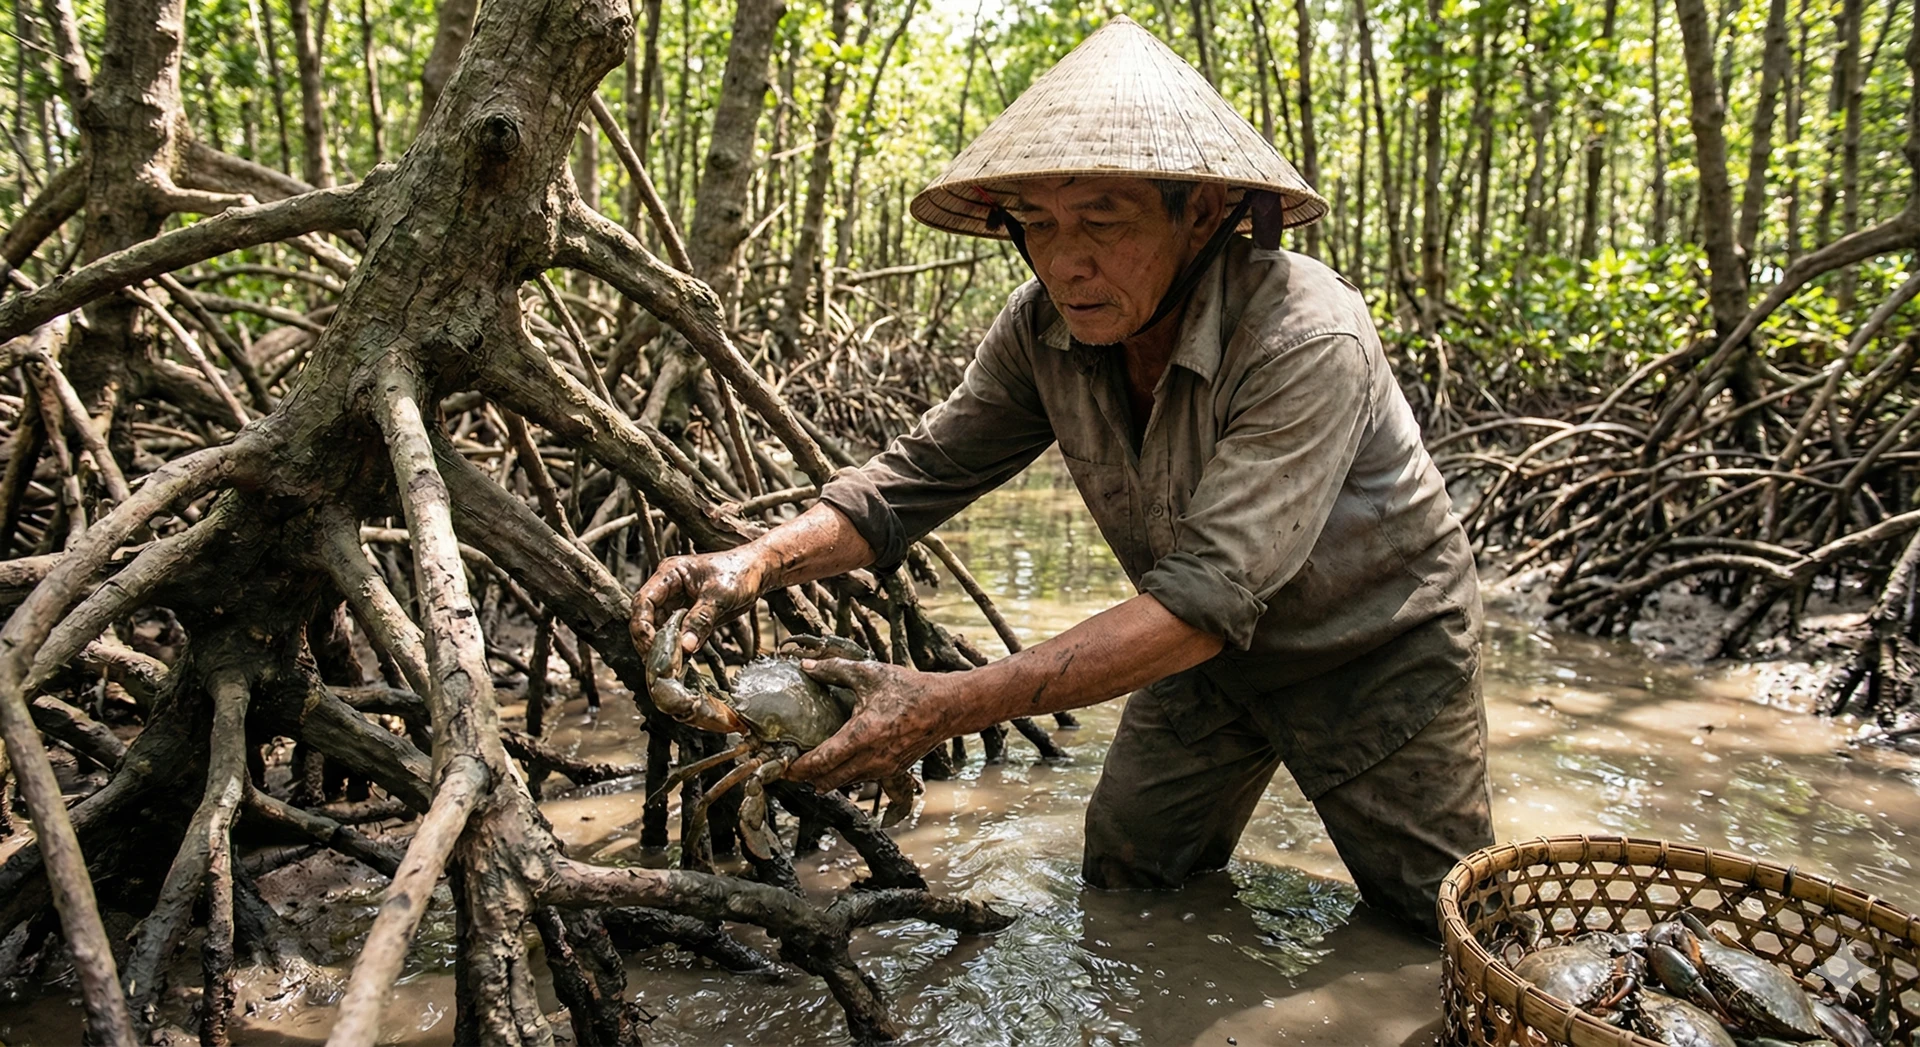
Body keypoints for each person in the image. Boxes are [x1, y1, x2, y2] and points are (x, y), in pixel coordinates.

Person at [631, 15, 1491, 938]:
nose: (1064, 261)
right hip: (1203, 659)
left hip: (1377, 654)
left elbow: (1207, 598)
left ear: (1199, 211)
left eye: (1102, 221)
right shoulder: (1043, 326)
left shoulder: (1305, 334)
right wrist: (754, 561)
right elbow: (913, 479)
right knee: (1128, 883)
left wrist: (946, 705)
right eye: (1037, 224)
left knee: (1435, 933)